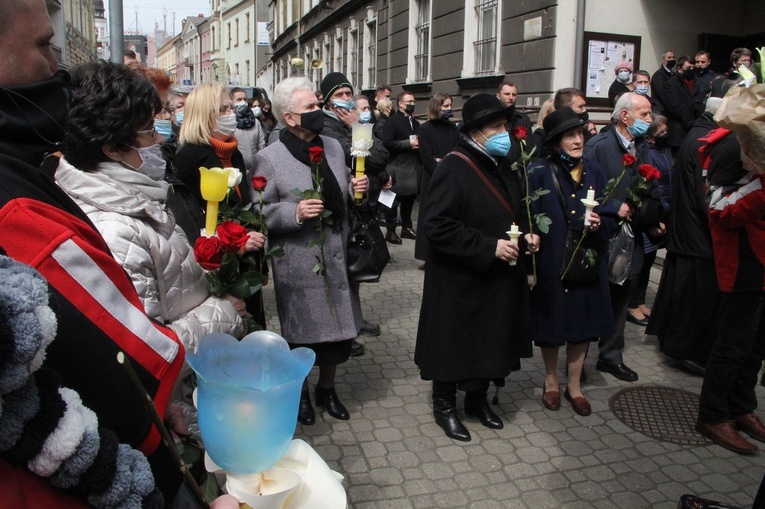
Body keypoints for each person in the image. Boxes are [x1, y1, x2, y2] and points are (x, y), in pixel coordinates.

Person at [0, 1, 238, 506]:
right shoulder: (35, 208)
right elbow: (135, 356)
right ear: (112, 145)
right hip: (125, 463)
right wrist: (224, 310)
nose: (55, 68)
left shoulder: (127, 194)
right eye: (45, 46)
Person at [55, 59, 245, 369]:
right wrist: (223, 312)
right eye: (148, 130)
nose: (159, 140)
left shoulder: (134, 197)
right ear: (113, 147)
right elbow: (147, 353)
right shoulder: (114, 229)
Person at [415, 93, 537, 442]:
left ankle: (477, 399)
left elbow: (507, 211)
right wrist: (487, 246)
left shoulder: (497, 163)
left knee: (489, 340)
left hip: (495, 274)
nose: (505, 133)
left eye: (505, 126)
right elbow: (436, 225)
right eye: (496, 127)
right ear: (476, 132)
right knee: (454, 342)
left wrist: (524, 236)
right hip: (459, 276)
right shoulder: (454, 165)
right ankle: (445, 406)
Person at [251, 77, 369, 426]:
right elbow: (258, 211)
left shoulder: (333, 146)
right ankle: (299, 393)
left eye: (319, 105)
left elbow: (342, 191)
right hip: (300, 262)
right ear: (289, 118)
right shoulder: (268, 158)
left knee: (337, 335)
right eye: (311, 108)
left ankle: (327, 389)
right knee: (302, 337)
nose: (319, 111)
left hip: (336, 256)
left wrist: (355, 186)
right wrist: (294, 212)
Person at [527, 108, 617, 416]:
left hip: (587, 260)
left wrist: (599, 225)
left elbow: (610, 218)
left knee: (582, 323)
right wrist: (530, 235)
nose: (577, 140)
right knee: (551, 322)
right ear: (554, 143)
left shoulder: (595, 170)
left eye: (579, 133)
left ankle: (574, 386)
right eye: (569, 135)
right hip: (552, 260)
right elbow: (526, 214)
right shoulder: (539, 171)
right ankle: (551, 381)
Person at [647, 84, 730, 375]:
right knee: (694, 299)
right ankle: (685, 351)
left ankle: (676, 342)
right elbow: (703, 193)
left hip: (687, 232)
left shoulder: (698, 134)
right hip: (696, 235)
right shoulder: (704, 140)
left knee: (683, 294)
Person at [584, 92, 663, 383]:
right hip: (601, 235)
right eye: (644, 114)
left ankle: (611, 356)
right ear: (625, 116)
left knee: (621, 295)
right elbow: (584, 190)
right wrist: (614, 207)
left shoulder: (642, 147)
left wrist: (654, 218)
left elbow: (649, 186)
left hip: (631, 237)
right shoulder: (599, 147)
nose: (650, 120)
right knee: (594, 294)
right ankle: (577, 359)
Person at [695, 125, 765, 455]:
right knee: (732, 345)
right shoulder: (731, 143)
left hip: (760, 264)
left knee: (754, 346)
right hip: (742, 264)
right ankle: (713, 414)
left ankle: (741, 407)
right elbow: (719, 206)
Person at [174, 83, 267, 327]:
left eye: (230, 107)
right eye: (222, 109)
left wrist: (259, 260)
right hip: (216, 268)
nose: (231, 114)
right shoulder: (188, 156)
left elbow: (243, 209)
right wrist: (233, 245)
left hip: (245, 259)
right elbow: (193, 221)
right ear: (205, 115)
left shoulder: (232, 152)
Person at [319, 71, 389, 355]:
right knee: (341, 273)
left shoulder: (355, 123)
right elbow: (353, 156)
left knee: (355, 269)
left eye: (349, 94)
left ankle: (354, 321)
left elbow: (380, 156)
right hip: (339, 206)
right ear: (327, 100)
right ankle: (343, 330)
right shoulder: (326, 126)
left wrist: (359, 129)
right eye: (339, 95)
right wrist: (356, 130)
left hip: (361, 204)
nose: (346, 100)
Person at [625, 114, 669, 326]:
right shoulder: (645, 150)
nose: (665, 134)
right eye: (661, 131)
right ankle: (631, 304)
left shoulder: (662, 150)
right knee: (638, 263)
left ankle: (640, 300)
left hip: (658, 211)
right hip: (645, 213)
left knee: (649, 260)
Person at [414, 92, 459, 262]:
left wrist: (444, 161)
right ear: (437, 106)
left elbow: (456, 151)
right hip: (433, 178)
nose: (448, 109)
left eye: (450, 106)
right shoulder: (425, 129)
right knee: (430, 214)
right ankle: (427, 255)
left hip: (450, 176)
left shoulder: (453, 128)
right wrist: (439, 164)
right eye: (445, 106)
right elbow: (427, 157)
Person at [382, 91, 422, 244]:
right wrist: (408, 144)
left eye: (413, 101)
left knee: (409, 200)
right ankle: (390, 231)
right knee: (392, 201)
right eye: (408, 101)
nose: (412, 104)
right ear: (400, 103)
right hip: (397, 166)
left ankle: (407, 227)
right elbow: (387, 143)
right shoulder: (392, 122)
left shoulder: (416, 123)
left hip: (412, 167)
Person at [231, 86, 267, 176]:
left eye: (244, 99)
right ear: (232, 102)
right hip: (236, 171)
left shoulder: (255, 122)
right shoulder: (229, 123)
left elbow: (261, 144)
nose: (242, 102)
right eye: (239, 99)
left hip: (255, 170)